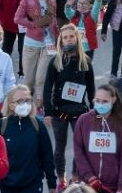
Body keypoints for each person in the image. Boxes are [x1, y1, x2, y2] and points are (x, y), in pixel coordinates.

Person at [40, 22, 94, 182]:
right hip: (59, 111)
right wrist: (48, 112)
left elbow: (92, 89)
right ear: (61, 41)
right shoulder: (55, 62)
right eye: (65, 38)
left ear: (77, 38)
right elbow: (47, 88)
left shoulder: (85, 62)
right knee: (60, 145)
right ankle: (61, 178)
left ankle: (75, 176)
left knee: (80, 145)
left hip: (79, 111)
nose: (68, 40)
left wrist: (94, 110)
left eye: (71, 37)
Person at [71, 82, 122, 193]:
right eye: (97, 101)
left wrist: (121, 187)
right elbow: (78, 151)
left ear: (113, 100)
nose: (100, 104)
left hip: (112, 187)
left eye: (105, 101)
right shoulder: (83, 120)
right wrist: (89, 176)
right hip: (88, 185)